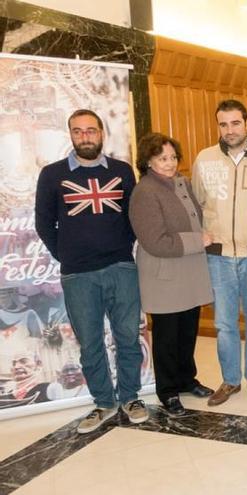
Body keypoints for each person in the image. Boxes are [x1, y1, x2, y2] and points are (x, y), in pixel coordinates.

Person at [34, 109, 147, 433]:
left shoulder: (122, 171)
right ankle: (104, 402)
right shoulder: (52, 174)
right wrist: (66, 253)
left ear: (102, 133)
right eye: (78, 131)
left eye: (91, 130)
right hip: (78, 274)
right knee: (91, 342)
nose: (85, 136)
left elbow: (132, 216)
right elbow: (44, 223)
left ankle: (130, 396)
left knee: (128, 337)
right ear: (70, 134)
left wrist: (121, 249)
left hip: (121, 268)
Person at [191, 100, 247, 406]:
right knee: (224, 324)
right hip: (218, 257)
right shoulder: (204, 159)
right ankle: (230, 381)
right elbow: (197, 203)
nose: (229, 130)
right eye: (223, 124)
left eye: (235, 123)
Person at [129, 133, 215, 416]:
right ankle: (167, 390)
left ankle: (186, 379)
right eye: (162, 158)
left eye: (173, 157)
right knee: (167, 338)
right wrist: (197, 240)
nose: (169, 163)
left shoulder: (182, 183)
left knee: (187, 333)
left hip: (188, 272)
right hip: (164, 277)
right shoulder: (145, 192)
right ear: (148, 161)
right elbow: (156, 241)